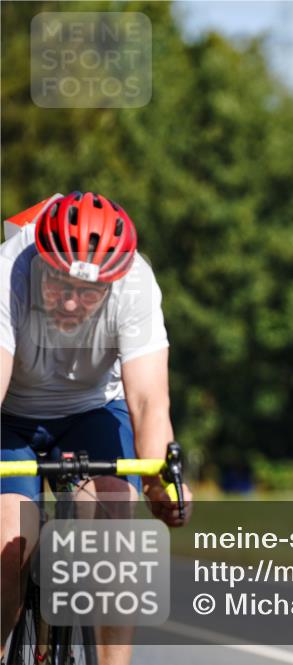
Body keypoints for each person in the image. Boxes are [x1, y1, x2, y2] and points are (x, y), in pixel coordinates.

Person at [0, 192, 192, 665]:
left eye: (88, 292)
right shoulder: (8, 273)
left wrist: (159, 483)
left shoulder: (137, 284)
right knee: (10, 541)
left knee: (112, 529)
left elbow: (148, 400)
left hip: (93, 409)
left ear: (113, 282)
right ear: (40, 264)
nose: (69, 302)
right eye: (58, 284)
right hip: (13, 415)